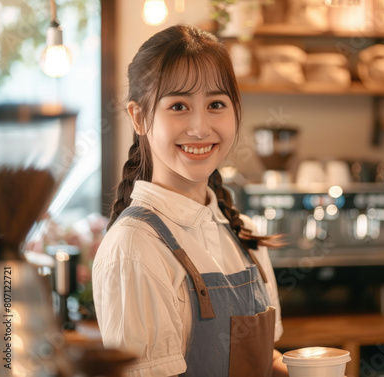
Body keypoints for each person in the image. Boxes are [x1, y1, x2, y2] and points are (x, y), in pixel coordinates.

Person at [92, 24, 288, 377]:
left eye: (216, 104)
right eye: (179, 105)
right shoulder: (135, 248)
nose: (200, 127)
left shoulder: (245, 236)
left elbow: (265, 362)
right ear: (139, 117)